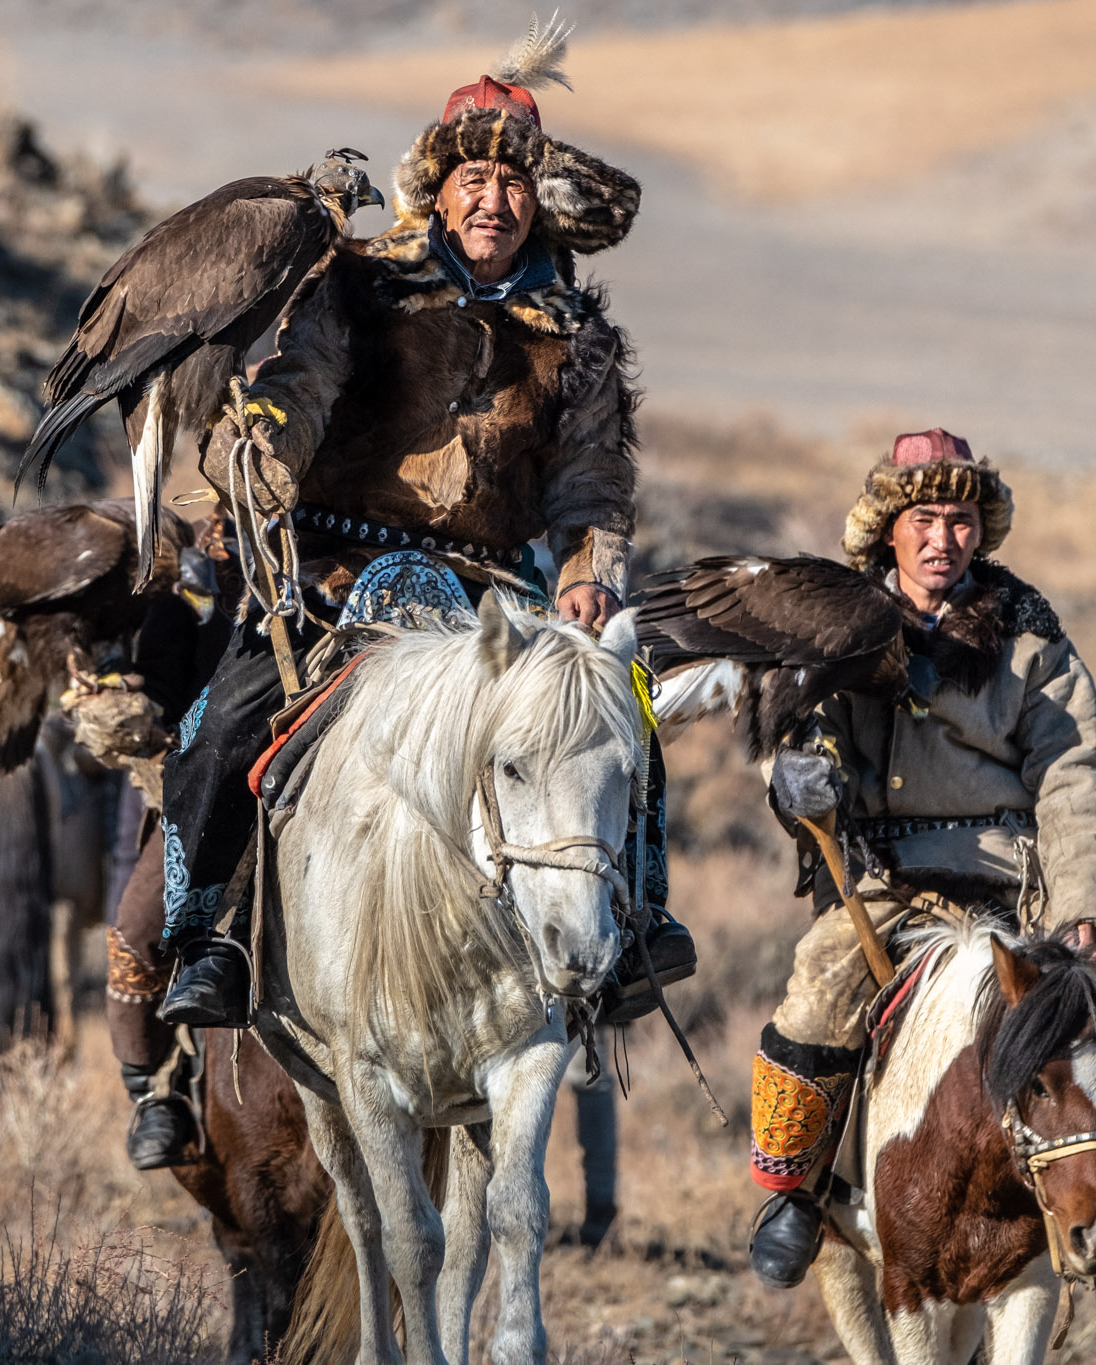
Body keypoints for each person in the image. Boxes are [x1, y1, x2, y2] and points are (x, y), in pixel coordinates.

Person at [148, 47, 691, 1095]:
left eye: (515, 183)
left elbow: (590, 486)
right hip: (339, 568)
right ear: (436, 189)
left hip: (494, 590)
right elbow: (296, 391)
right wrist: (262, 461)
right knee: (223, 724)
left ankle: (630, 927)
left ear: (540, 202)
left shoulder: (573, 336)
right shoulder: (354, 285)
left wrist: (588, 572)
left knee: (618, 721)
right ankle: (209, 930)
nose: (494, 201)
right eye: (474, 181)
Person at [744, 429, 1096, 1291]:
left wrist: (1088, 910)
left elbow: (1076, 774)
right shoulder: (840, 626)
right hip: (888, 881)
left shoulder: (1032, 640)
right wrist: (800, 772)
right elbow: (805, 727)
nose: (945, 538)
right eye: (926, 519)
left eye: (962, 519)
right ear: (889, 529)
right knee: (817, 996)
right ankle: (799, 1189)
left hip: (1018, 884)